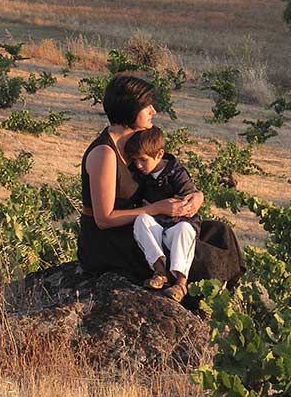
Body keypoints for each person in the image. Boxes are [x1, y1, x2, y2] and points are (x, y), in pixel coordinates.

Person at [77, 75, 244, 304]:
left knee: (218, 232)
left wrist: (194, 197)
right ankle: (193, 301)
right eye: (147, 106)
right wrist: (156, 209)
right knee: (197, 254)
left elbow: (167, 175)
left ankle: (218, 301)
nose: (153, 111)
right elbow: (104, 219)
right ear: (130, 109)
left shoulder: (138, 145)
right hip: (108, 240)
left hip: (139, 224)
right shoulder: (105, 154)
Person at [125, 127, 201, 301]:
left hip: (178, 224)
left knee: (184, 229)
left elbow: (188, 200)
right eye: (135, 160)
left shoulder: (177, 173)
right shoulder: (140, 174)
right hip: (157, 225)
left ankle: (181, 283)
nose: (138, 165)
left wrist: (182, 206)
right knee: (141, 220)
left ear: (159, 154)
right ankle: (160, 272)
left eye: (143, 160)